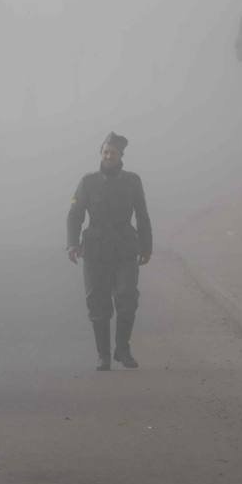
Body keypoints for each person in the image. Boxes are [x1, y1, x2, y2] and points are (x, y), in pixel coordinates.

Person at [67, 132, 153, 370]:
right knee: (98, 303)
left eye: (113, 153)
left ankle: (122, 350)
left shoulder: (132, 181)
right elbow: (75, 215)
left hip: (125, 248)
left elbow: (142, 216)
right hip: (95, 250)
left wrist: (147, 247)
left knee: (127, 298)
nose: (108, 156)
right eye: (105, 152)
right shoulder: (88, 182)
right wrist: (72, 243)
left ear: (120, 156)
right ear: (101, 154)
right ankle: (103, 355)